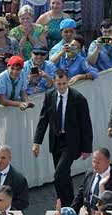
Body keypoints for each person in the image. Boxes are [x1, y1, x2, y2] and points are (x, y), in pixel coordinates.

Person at [33, 69, 93, 207]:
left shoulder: (78, 98)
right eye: (58, 84)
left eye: (64, 84)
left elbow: (86, 124)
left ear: (68, 82)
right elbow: (43, 119)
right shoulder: (50, 96)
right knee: (64, 176)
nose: (61, 87)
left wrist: (86, 148)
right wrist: (37, 141)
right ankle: (69, 205)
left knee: (58, 175)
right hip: (56, 141)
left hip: (71, 142)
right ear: (54, 82)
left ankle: (67, 204)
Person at [71, 147, 112, 213]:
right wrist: (71, 212)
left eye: (98, 163)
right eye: (94, 162)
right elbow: (80, 196)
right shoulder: (89, 173)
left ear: (108, 162)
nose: (95, 165)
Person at [0, 145, 30, 211]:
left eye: (3, 158)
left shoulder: (19, 179)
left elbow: (24, 202)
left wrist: (3, 205)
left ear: (9, 158)